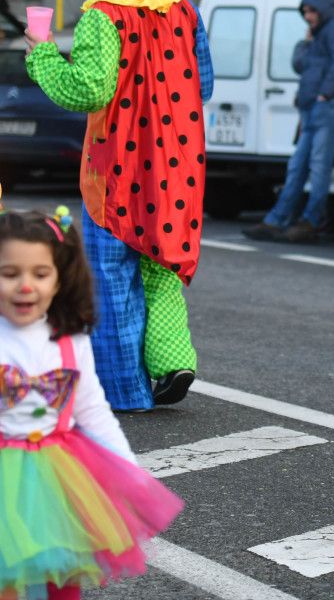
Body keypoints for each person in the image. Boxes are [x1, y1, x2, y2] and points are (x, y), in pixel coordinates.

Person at [25, 0, 212, 410]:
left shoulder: (100, 16)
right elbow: (204, 81)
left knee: (113, 281)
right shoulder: (182, 6)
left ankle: (127, 391)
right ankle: (174, 361)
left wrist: (40, 53)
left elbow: (86, 87)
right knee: (162, 270)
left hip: (117, 173)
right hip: (177, 165)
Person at [0, 207, 183, 599]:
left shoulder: (73, 341)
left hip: (59, 474)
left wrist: (131, 473)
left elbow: (95, 414)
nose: (25, 286)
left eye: (40, 273)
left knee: (63, 570)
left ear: (61, 278)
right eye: (10, 274)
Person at [243, 0, 334, 244]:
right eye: (305, 11)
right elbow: (299, 64)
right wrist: (306, 42)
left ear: (323, 9)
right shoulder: (319, 34)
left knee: (316, 166)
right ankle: (280, 219)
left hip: (328, 107)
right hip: (314, 107)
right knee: (299, 166)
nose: (307, 16)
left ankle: (310, 221)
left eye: (311, 10)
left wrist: (325, 95)